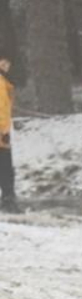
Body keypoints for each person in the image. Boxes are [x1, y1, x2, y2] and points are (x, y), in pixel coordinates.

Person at [0, 55, 20, 214]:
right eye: (5, 62)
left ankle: (8, 198)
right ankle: (8, 200)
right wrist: (3, 131)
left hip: (3, 131)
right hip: (1, 134)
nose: (7, 66)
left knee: (5, 167)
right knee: (6, 168)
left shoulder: (4, 81)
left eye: (8, 63)